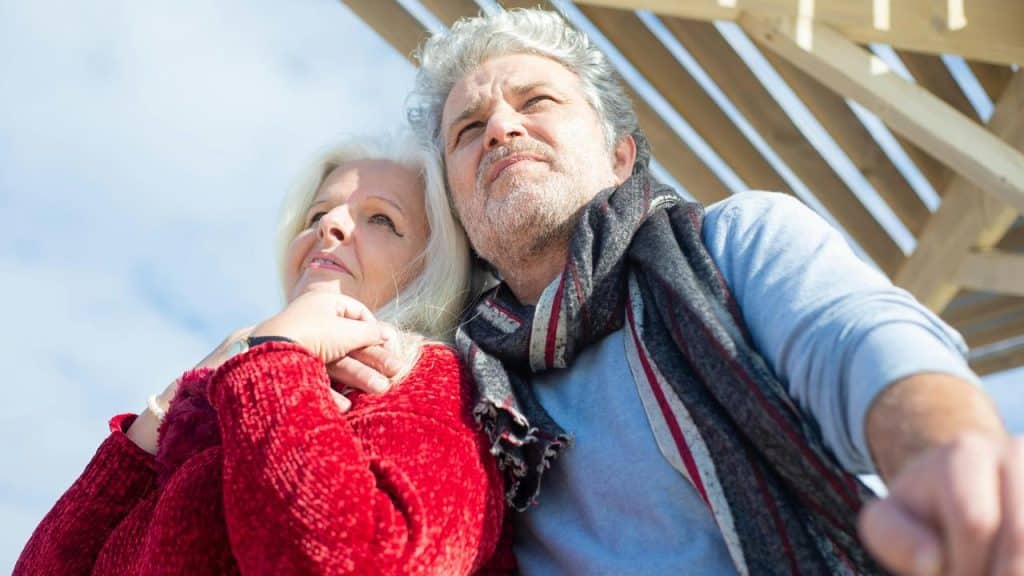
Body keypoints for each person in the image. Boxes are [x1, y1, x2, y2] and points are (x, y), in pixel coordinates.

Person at [394, 8, 1022, 576]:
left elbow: (856, 337)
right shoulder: (450, 381)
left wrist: (944, 452)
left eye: (536, 100)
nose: (501, 128)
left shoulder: (733, 240)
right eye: (467, 130)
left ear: (619, 157)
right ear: (458, 212)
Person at [15, 133, 511, 574]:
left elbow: (365, 563)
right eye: (317, 214)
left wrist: (273, 358)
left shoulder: (429, 380)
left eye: (381, 219)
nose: (330, 225)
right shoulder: (225, 401)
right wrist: (173, 404)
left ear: (433, 265)